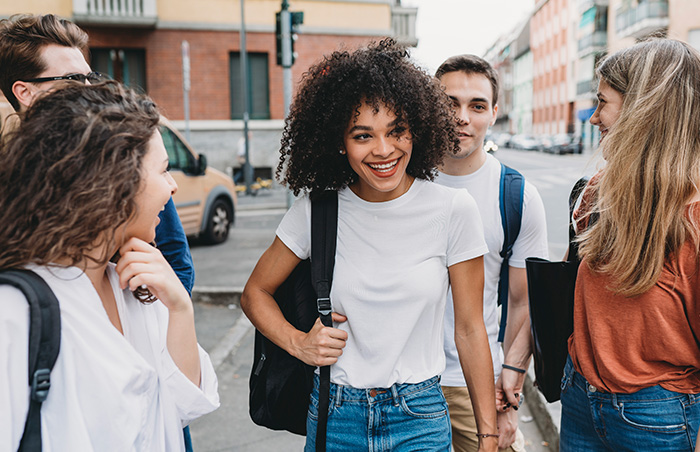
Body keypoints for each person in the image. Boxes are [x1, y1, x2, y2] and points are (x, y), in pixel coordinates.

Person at [241, 39, 498, 451]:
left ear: (417, 127)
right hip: (336, 416)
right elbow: (255, 292)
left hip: (420, 418)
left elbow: (470, 330)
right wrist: (298, 342)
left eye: (397, 130)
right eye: (363, 135)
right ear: (340, 142)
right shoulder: (318, 211)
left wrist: (488, 434)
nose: (383, 150)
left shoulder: (453, 209)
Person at [0, 81, 219, 451]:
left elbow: (185, 405)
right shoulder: (15, 313)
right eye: (163, 171)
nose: (172, 188)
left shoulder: (133, 283)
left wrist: (181, 307)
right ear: (113, 182)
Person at [561, 38, 700, 451]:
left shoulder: (693, 215)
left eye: (603, 102)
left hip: (657, 415)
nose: (593, 117)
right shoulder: (597, 191)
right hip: (580, 395)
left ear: (644, 109)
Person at [0, 14, 195, 295]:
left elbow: (176, 259)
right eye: (73, 79)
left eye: (90, 77)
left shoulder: (116, 155)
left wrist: (163, 321)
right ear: (24, 92)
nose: (89, 88)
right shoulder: (12, 176)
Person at [434, 55, 549, 451]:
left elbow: (522, 304)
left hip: (476, 384)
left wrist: (511, 394)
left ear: (494, 113)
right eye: (449, 103)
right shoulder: (396, 178)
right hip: (403, 384)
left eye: (477, 105)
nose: (461, 117)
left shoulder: (516, 195)